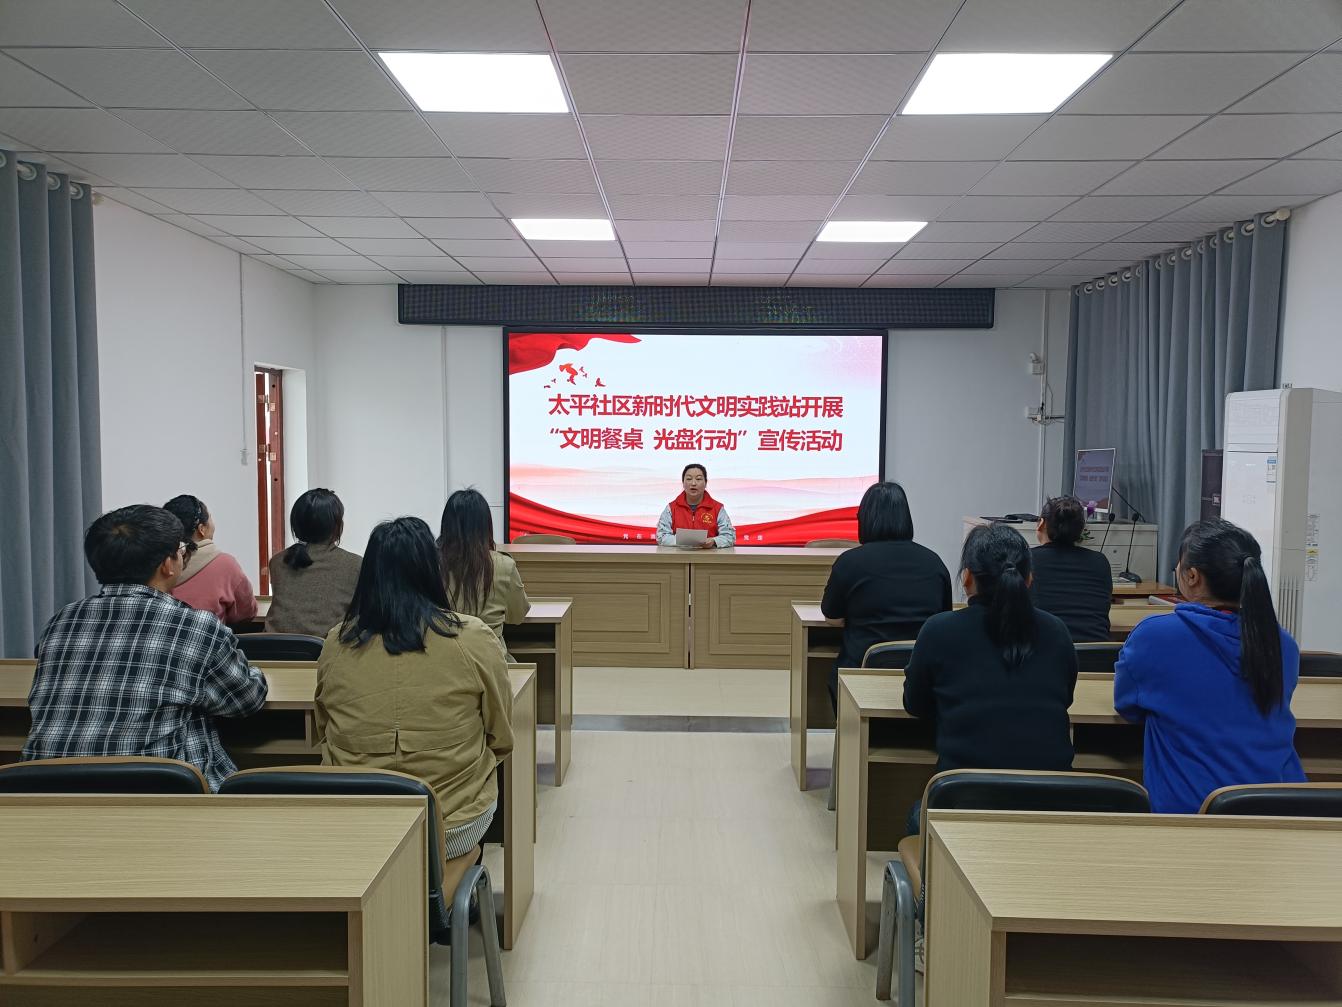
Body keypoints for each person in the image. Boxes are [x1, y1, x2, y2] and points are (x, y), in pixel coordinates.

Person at [316, 516, 514, 871]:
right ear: (432, 570)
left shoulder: (337, 642)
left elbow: (324, 727)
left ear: (368, 574)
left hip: (356, 819)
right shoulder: (473, 639)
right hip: (451, 825)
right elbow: (500, 736)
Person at [24, 504, 268, 791]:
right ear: (167, 564)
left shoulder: (62, 621)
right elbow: (245, 700)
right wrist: (256, 674)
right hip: (156, 792)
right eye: (181, 550)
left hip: (46, 791)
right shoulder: (195, 626)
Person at [1115, 519, 1305, 814]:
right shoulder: (1282, 644)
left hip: (1192, 815)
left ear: (1192, 576)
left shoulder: (1154, 637)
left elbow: (1127, 706)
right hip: (1281, 806)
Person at [902, 523, 1078, 834]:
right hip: (1052, 805)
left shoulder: (939, 630)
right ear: (1029, 578)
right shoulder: (1057, 632)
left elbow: (914, 704)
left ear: (967, 577)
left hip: (962, 805)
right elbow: (1065, 698)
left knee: (916, 814)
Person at [821, 482, 951, 708]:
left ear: (865, 519)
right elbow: (943, 619)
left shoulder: (850, 562)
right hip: (922, 680)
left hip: (860, 677)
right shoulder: (934, 562)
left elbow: (832, 617)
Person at [265, 488, 362, 638]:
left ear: (296, 524)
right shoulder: (355, 564)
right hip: (325, 649)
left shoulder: (277, 562)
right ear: (336, 526)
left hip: (274, 648)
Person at [438, 488, 530, 645]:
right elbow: (517, 616)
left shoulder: (432, 564)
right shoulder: (504, 565)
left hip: (445, 654)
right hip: (490, 654)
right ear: (486, 525)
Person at [164, 494, 258, 626]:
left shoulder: (155, 563)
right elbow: (246, 612)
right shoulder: (226, 565)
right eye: (211, 517)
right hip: (207, 638)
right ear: (201, 529)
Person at [1030, 495, 1113, 641]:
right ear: (1081, 530)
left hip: (1046, 652)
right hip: (1095, 653)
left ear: (1041, 523)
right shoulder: (1100, 562)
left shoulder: (1027, 559)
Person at [655, 463, 736, 548]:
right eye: (689, 479)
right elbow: (661, 536)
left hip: (709, 554)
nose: (693, 483)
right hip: (679, 555)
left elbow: (730, 536)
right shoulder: (671, 508)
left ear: (705, 483)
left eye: (698, 479)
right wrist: (683, 541)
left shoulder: (717, 508)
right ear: (683, 483)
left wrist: (714, 541)